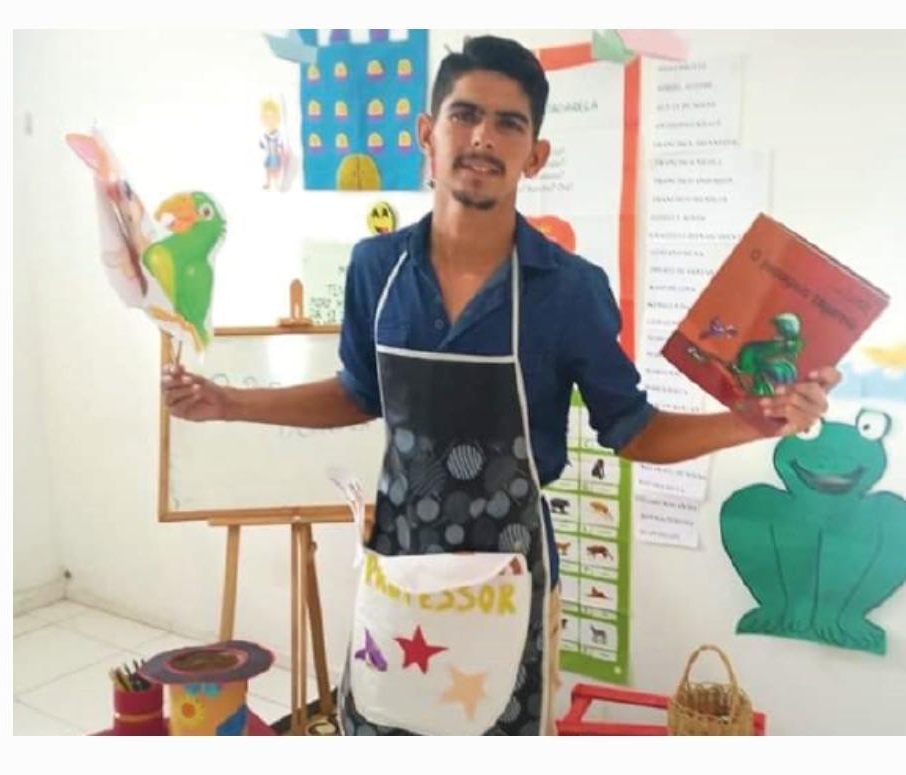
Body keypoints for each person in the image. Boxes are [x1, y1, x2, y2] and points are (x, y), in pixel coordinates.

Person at [162, 36, 839, 736]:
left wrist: (755, 420)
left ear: (535, 155)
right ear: (427, 133)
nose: (483, 137)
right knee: (385, 723)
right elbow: (359, 393)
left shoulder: (569, 290)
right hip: (400, 558)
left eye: (509, 123)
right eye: (465, 115)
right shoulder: (376, 268)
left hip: (509, 574)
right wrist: (228, 402)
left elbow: (634, 429)